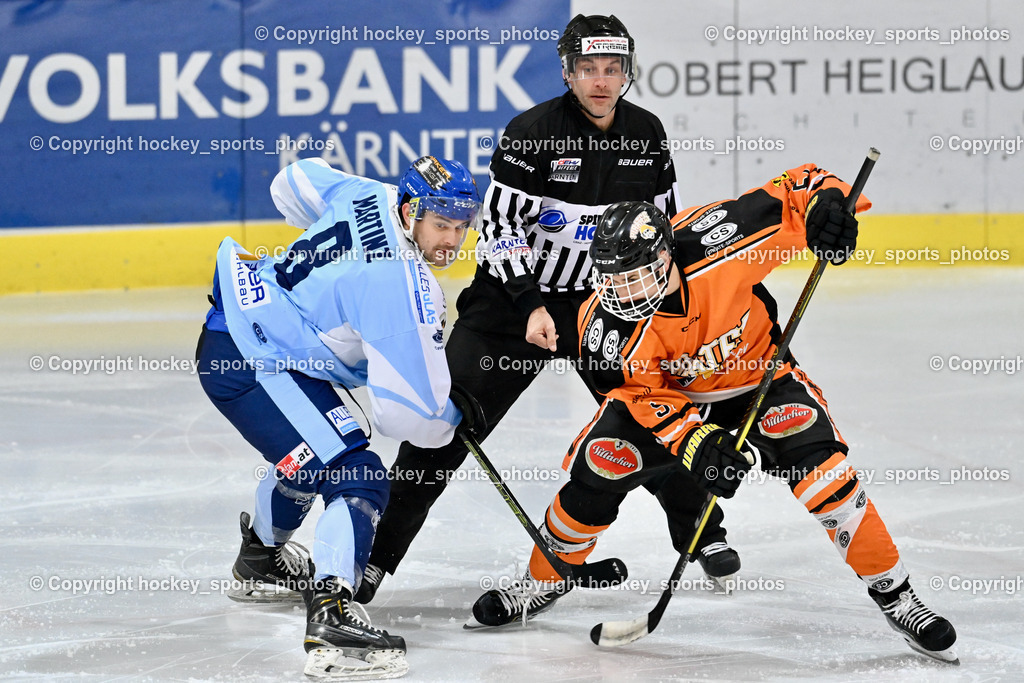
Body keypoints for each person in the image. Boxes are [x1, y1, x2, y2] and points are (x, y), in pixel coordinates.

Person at [469, 166, 959, 664]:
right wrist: (693, 441)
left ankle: (897, 595)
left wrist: (825, 211)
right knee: (602, 464)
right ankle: (545, 578)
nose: (625, 293)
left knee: (825, 477)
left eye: (636, 278)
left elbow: (801, 185)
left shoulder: (720, 242)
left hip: (755, 380)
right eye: (615, 280)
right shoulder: (605, 325)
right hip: (676, 399)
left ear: (664, 258)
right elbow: (638, 394)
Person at [358, 13, 741, 606]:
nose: (600, 81)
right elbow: (501, 232)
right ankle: (375, 562)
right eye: (588, 69)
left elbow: (666, 228)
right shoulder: (532, 133)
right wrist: (533, 305)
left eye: (612, 69)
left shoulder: (647, 133)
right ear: (568, 71)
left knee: (650, 410)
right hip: (512, 306)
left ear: (626, 73)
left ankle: (700, 532)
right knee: (442, 429)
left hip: (607, 307)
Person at [196, 155, 484, 678]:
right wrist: (452, 415)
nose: (452, 240)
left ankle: (260, 557)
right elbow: (406, 417)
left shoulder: (367, 192)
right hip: (255, 359)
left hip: (246, 329)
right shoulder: (404, 288)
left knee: (313, 454)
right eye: (442, 225)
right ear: (412, 211)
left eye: (463, 226)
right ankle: (332, 614)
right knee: (358, 473)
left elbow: (292, 183)